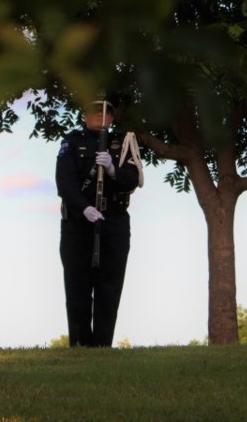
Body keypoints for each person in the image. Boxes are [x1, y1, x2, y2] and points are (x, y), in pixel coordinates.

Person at [56, 95, 144, 347]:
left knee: (109, 285)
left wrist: (114, 170)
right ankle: (81, 344)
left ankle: (103, 345)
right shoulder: (72, 142)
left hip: (113, 219)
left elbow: (133, 179)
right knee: (77, 284)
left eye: (105, 112)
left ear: (113, 116)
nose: (99, 116)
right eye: (94, 112)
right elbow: (65, 182)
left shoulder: (123, 142)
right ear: (84, 116)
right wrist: (83, 208)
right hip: (78, 221)